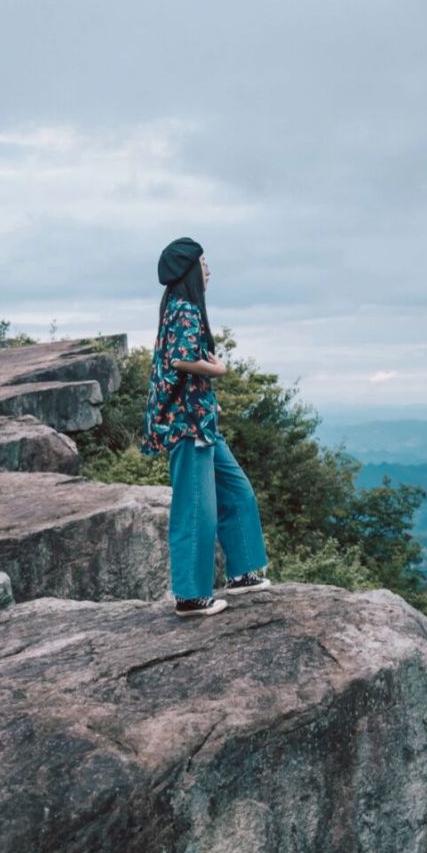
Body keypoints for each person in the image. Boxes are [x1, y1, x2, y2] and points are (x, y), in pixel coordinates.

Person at [140, 237, 271, 617]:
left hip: (202, 422)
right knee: (196, 509)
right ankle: (190, 596)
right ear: (190, 270)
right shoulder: (184, 310)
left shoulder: (181, 308)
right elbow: (181, 360)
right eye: (204, 263)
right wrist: (218, 369)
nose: (209, 269)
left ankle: (242, 573)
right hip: (188, 424)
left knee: (237, 491)